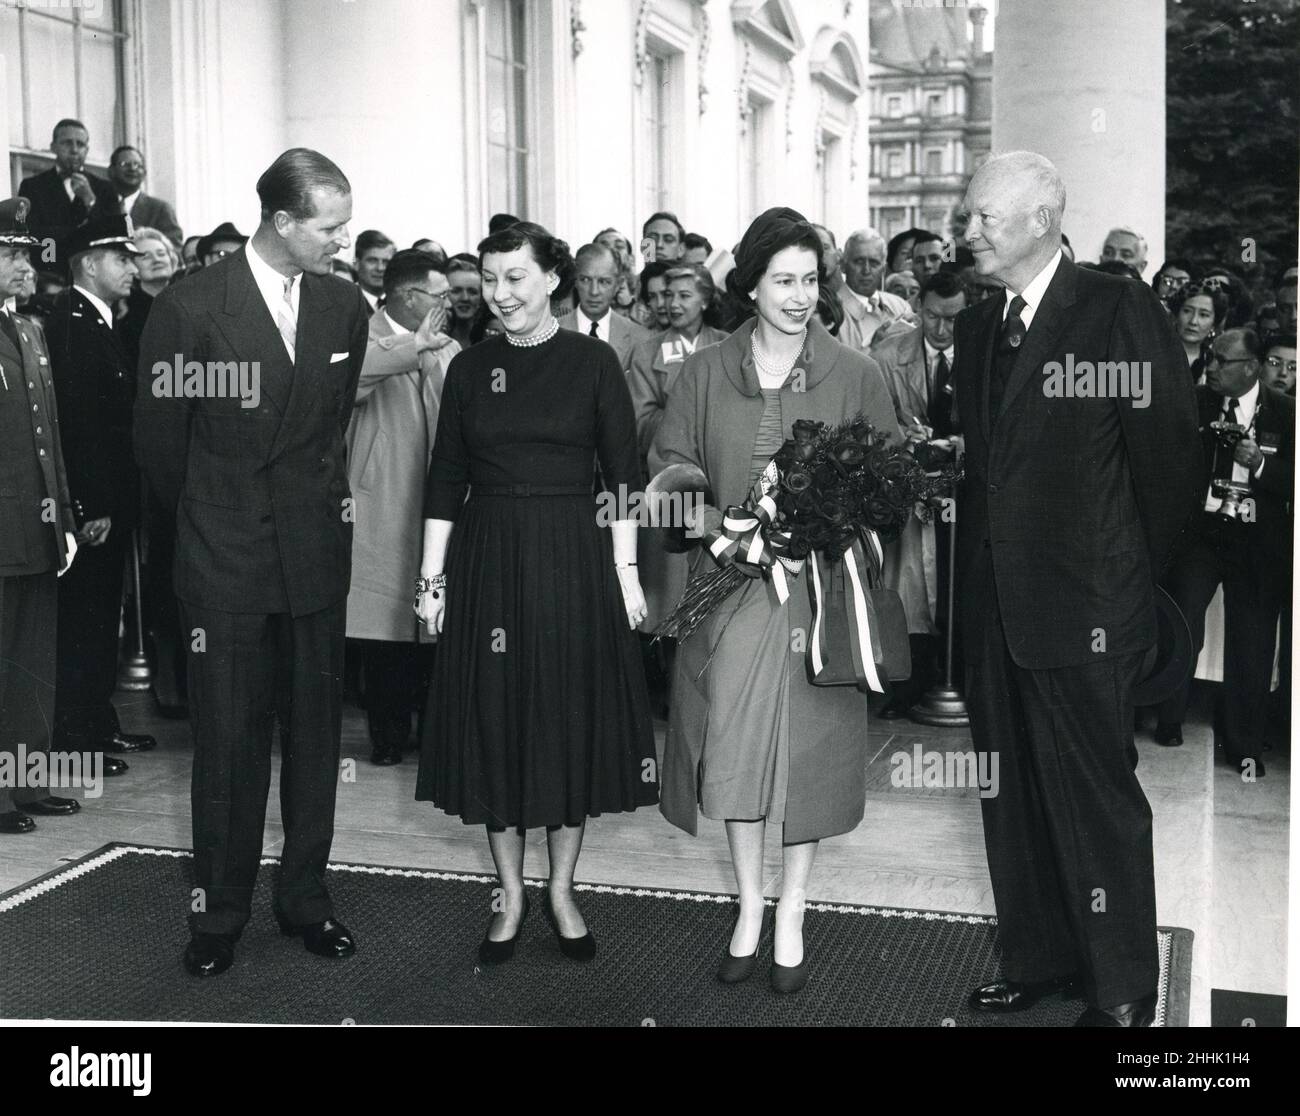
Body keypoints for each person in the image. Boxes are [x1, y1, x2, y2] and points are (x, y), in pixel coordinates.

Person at [953, 151, 1200, 1027]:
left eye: (983, 216)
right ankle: (1041, 961)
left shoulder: (1114, 307)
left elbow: (1169, 457)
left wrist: (1129, 581)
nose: (967, 229)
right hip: (995, 614)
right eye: (968, 215)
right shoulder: (979, 328)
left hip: (1089, 611)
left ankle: (1123, 988)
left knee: (1097, 803)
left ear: (1041, 218)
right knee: (1009, 797)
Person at [649, 207, 902, 994]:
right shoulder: (699, 371)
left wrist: (836, 517)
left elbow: (889, 483)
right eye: (783, 281)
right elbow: (670, 472)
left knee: (809, 759)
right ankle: (749, 906)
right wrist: (712, 518)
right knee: (733, 748)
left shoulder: (858, 373)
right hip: (731, 593)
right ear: (750, 285)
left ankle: (793, 908)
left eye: (811, 281)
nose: (801, 297)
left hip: (820, 600)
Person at [135, 148, 368, 978]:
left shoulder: (344, 305)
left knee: (312, 744)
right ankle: (218, 915)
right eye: (329, 226)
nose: (341, 241)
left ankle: (306, 899)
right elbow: (160, 451)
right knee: (228, 751)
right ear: (282, 220)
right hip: (225, 562)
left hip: (312, 559)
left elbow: (331, 428)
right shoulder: (193, 309)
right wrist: (215, 524)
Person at [414, 221, 657, 965]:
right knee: (497, 722)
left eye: (515, 278)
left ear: (551, 279)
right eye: (489, 280)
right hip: (488, 560)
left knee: (562, 721)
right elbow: (445, 480)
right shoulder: (468, 367)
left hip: (572, 560)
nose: (500, 294)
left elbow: (621, 477)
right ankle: (510, 892)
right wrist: (431, 581)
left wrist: (625, 575)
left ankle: (561, 889)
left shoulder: (593, 362)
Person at [1154, 329, 1292, 775]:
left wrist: (1262, 465)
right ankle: (1169, 719)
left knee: (1251, 640)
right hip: (1203, 533)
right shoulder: (1196, 403)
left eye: (1222, 361)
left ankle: (1244, 744)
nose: (1211, 367)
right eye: (1210, 358)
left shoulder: (1287, 412)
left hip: (1256, 538)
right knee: (1182, 620)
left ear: (1250, 368)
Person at [47, 215, 157, 765]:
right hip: (94, 508)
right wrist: (89, 506)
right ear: (89, 264)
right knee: (85, 618)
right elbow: (74, 425)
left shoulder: (102, 321)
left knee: (100, 615)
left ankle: (95, 721)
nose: (133, 269)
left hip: (112, 502)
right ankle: (75, 735)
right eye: (122, 259)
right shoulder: (69, 325)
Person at [346, 250, 456, 766]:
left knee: (434, 624)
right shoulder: (357, 337)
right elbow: (355, 378)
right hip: (381, 507)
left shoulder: (450, 347)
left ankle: (435, 733)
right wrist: (415, 346)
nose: (449, 302)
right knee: (384, 630)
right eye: (441, 294)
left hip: (436, 505)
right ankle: (388, 737)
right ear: (409, 297)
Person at [0, 198, 86, 834]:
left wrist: (64, 520)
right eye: (10, 255)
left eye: (27, 255)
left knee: (32, 660)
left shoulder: (28, 330)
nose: (26, 266)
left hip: (35, 526)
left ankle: (24, 784)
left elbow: (47, 435)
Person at [875, 270, 969, 718]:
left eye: (953, 318)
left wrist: (958, 443)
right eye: (932, 316)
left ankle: (962, 680)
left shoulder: (983, 353)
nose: (941, 328)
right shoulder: (888, 354)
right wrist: (904, 440)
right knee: (911, 584)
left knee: (958, 583)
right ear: (919, 309)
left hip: (966, 493)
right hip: (909, 488)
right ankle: (907, 686)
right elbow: (870, 424)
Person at [627, 263, 728, 643]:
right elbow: (639, 420)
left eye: (685, 295)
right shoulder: (647, 351)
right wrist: (687, 423)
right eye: (668, 295)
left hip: (722, 479)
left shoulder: (729, 344)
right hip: (669, 483)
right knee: (668, 601)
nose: (673, 303)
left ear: (705, 299)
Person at [19, 119, 117, 244]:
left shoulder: (105, 188)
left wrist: (90, 200)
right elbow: (28, 235)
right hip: (49, 260)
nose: (74, 150)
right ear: (53, 147)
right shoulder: (32, 186)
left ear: (86, 150)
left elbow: (113, 233)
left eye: (80, 144)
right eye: (67, 143)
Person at [558, 242, 649, 368]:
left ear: (618, 284)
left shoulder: (640, 338)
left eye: (604, 282)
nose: (594, 291)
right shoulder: (551, 332)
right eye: (585, 280)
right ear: (575, 281)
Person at [836, 228, 913, 352]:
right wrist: (873, 348)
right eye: (858, 262)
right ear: (843, 266)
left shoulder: (901, 307)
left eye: (874, 263)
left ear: (883, 269)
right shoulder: (828, 313)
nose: (866, 270)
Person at [108, 146, 183, 247]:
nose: (132, 169)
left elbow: (174, 250)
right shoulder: (102, 206)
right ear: (112, 171)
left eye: (137, 165)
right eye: (125, 164)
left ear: (144, 173)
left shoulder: (160, 209)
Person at [1172, 279, 1228, 381]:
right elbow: (1138, 394)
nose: (1193, 321)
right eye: (1187, 311)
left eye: (1203, 315)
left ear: (1214, 323)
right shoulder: (1146, 351)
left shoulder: (1216, 363)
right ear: (1176, 314)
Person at [353, 230, 396, 315]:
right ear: (357, 264)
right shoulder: (343, 303)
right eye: (372, 261)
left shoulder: (400, 306)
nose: (380, 268)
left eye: (386, 262)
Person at [445, 257, 482, 350]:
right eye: (456, 291)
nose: (465, 298)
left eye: (472, 292)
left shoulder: (492, 337)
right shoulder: (431, 339)